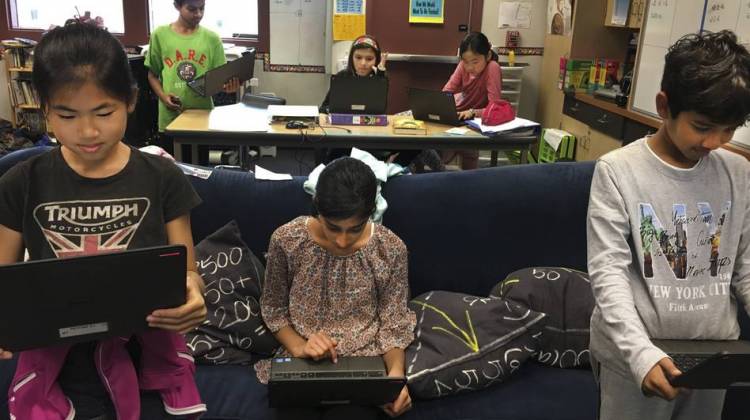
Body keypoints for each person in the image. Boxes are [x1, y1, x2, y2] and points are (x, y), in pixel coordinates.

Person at [0, 23, 209, 419]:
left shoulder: (162, 177)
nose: (88, 131)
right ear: (45, 108)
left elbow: (187, 272)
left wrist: (193, 297)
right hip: (58, 365)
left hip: (147, 353)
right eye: (67, 115)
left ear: (130, 101)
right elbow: (3, 278)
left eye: (103, 112)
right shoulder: (21, 183)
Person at [587, 30, 750, 420]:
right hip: (636, 356)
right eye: (702, 126)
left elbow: (744, 266)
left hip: (714, 354)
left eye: (729, 129)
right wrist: (639, 352)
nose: (715, 141)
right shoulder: (617, 171)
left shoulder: (738, 172)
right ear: (664, 106)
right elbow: (607, 272)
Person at [255, 157, 416, 419]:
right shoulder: (288, 239)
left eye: (355, 229)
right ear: (317, 210)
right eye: (332, 227)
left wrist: (395, 380)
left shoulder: (390, 249)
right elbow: (273, 307)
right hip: (302, 361)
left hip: (366, 359)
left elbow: (394, 323)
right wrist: (299, 346)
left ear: (370, 213)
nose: (342, 241)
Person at [145, 0, 239, 156]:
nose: (198, 14)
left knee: (199, 171)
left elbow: (221, 79)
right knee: (172, 172)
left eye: (202, 9)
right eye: (192, 9)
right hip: (171, 118)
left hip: (201, 118)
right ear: (177, 6)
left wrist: (229, 86)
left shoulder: (212, 38)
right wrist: (163, 96)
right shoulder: (160, 35)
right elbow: (152, 74)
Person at [442, 32, 502, 170]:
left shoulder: (492, 68)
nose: (469, 67)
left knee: (469, 158)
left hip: (471, 120)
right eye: (465, 62)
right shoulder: (463, 66)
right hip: (455, 114)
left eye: (475, 62)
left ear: (487, 56)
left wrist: (473, 112)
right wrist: (443, 108)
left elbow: (495, 108)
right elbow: (446, 91)